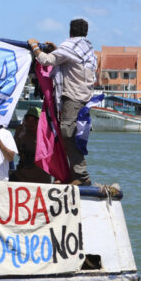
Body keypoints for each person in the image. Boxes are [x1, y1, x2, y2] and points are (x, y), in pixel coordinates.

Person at [28, 18, 96, 185]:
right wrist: (56, 50)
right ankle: (67, 174)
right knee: (70, 134)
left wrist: (34, 46)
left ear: (70, 32)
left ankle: (81, 177)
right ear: (86, 32)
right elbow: (69, 59)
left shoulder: (70, 46)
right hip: (85, 99)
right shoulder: (88, 48)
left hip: (72, 98)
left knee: (69, 134)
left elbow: (46, 60)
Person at [11, 106, 52, 183]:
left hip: (41, 180)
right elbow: (12, 152)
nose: (30, 123)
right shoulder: (20, 132)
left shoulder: (46, 136)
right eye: (28, 119)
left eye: (35, 120)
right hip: (21, 177)